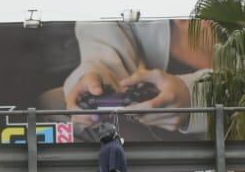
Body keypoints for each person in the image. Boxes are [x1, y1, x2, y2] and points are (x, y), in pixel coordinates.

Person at [62, 19, 216, 135]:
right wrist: (96, 73)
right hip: (159, 126)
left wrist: (195, 96)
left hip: (231, 129)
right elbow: (103, 39)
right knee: (56, 108)